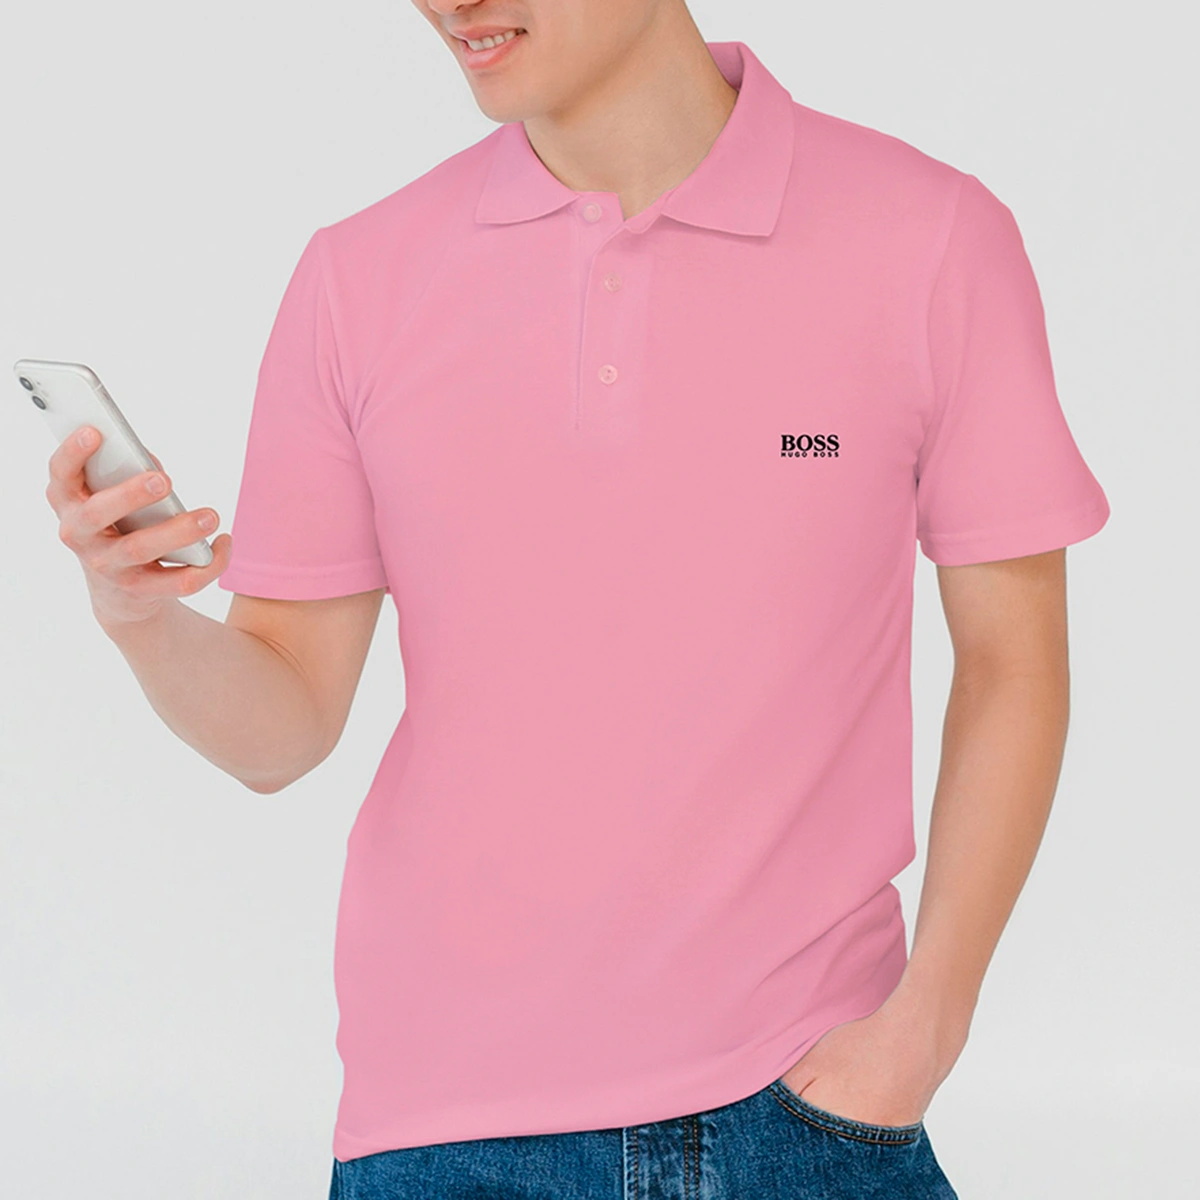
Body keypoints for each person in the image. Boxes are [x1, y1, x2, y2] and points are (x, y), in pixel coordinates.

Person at [47, 1, 1110, 1196]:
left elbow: (1015, 661)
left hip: (807, 1107)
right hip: (440, 1129)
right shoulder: (359, 276)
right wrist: (140, 618)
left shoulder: (928, 237)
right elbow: (282, 729)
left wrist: (925, 1029)